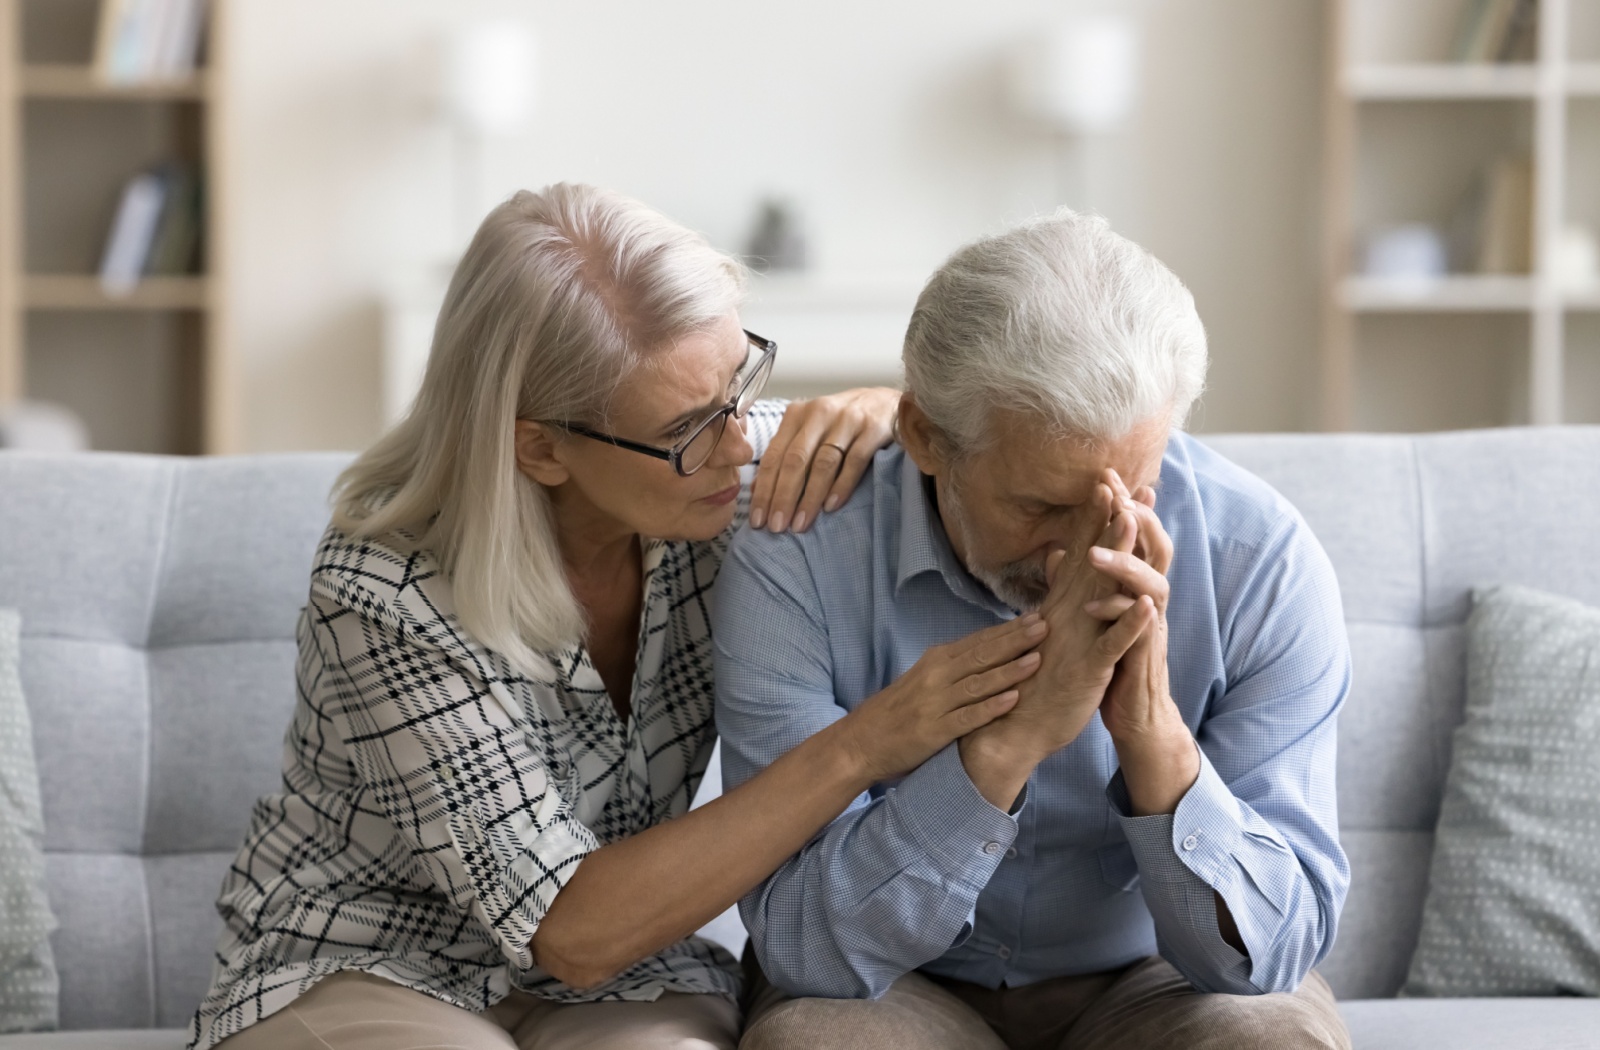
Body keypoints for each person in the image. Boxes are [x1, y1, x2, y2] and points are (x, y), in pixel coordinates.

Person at [187, 184, 1048, 1050]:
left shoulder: (734, 484)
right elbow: (574, 930)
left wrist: (885, 409)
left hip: (637, 980)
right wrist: (866, 742)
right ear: (539, 447)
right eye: (688, 428)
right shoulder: (384, 591)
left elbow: (940, 443)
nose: (742, 442)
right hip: (370, 959)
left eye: (740, 380)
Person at [714, 208, 1354, 1050]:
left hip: (1150, 979)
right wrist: (1006, 748)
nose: (1084, 552)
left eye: (1133, 494)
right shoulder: (798, 551)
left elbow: (1273, 955)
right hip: (898, 986)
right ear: (924, 436)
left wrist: (1151, 731)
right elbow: (806, 945)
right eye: (1040, 507)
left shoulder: (1256, 558)